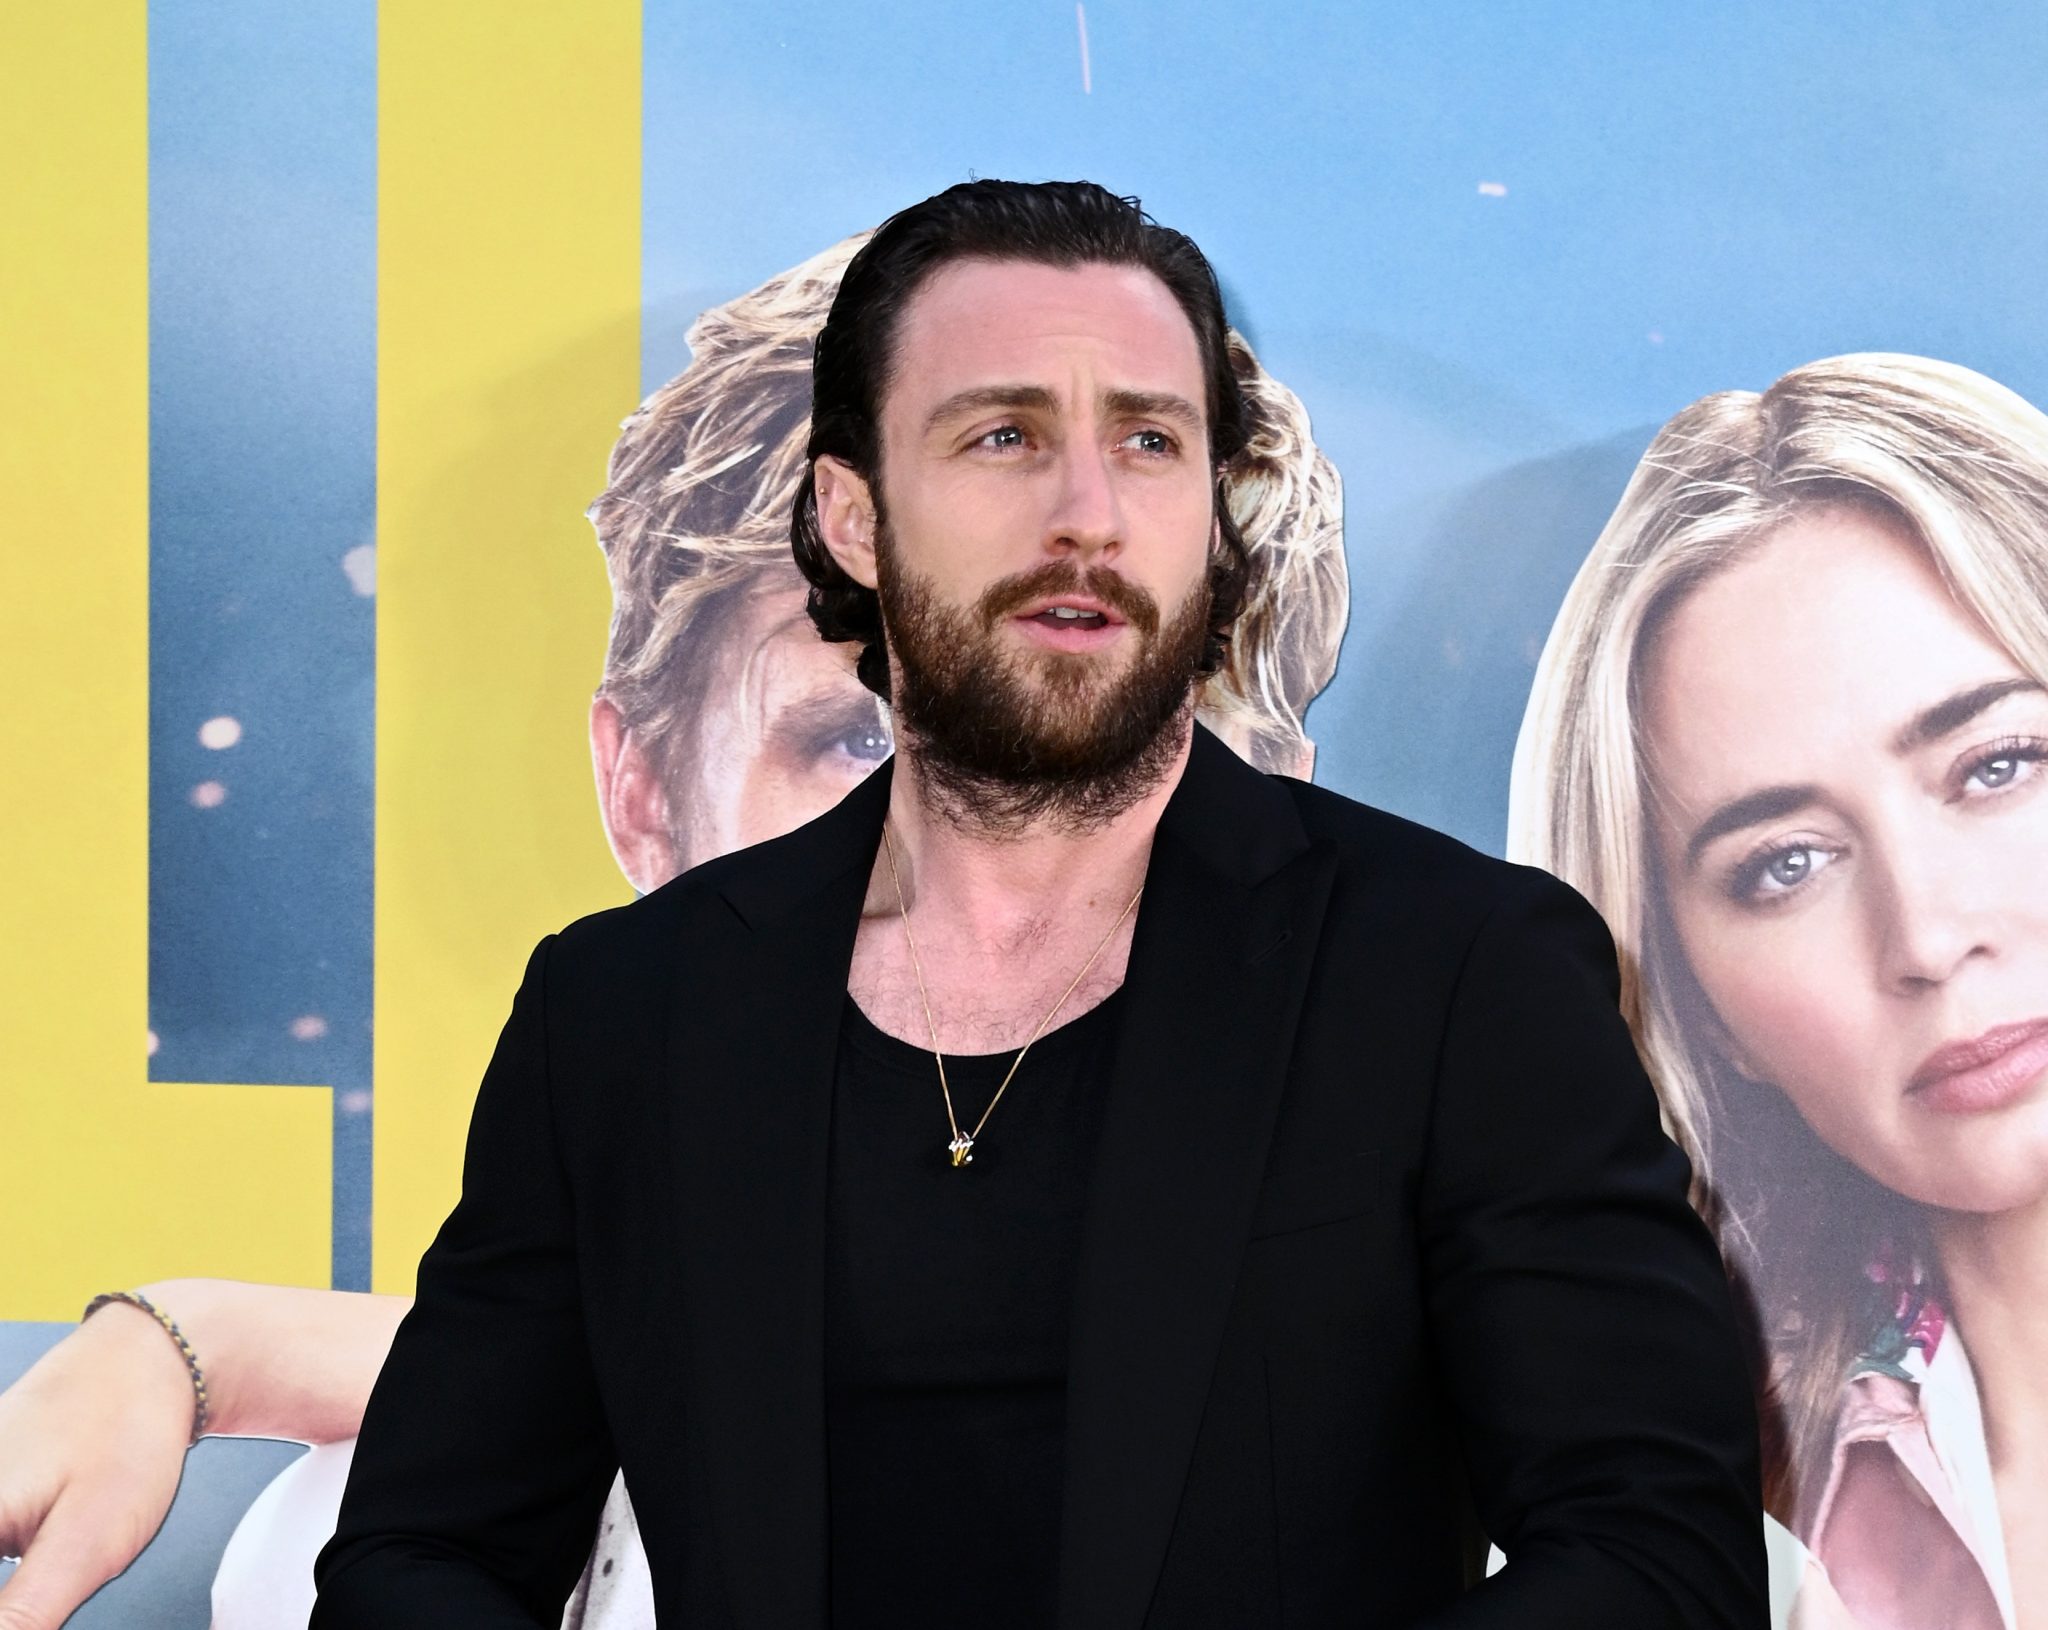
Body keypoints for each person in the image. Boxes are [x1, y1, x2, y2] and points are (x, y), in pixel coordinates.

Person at [307, 178, 1764, 1627]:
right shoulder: (627, 1012)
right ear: (853, 516)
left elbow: (1656, 1561)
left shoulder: (1455, 973)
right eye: (1003, 436)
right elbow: (418, 1556)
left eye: (1149, 441)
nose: (1089, 514)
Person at [0, 227, 1347, 1630]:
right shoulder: (375, 1537)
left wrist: (213, 1339)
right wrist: (192, 1341)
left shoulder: (1462, 1421)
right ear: (643, 796)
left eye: (1142, 752)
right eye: (861, 742)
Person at [1508, 353, 2048, 1629]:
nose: (1925, 937)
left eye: (1996, 764)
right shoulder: (1675, 1532)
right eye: (1783, 865)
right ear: (1700, 1008)